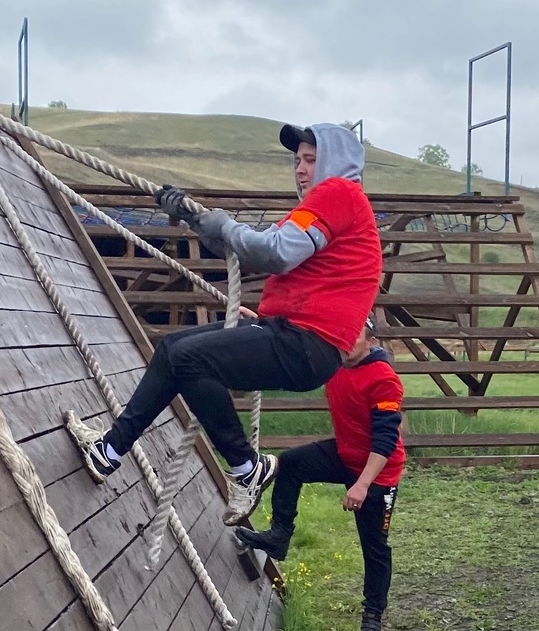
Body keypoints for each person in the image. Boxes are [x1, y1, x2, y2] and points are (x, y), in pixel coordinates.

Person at [82, 123, 383, 525]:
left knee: (190, 359)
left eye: (311, 160)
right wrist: (194, 220)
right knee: (172, 350)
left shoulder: (338, 193)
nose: (300, 169)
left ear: (334, 162)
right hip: (293, 334)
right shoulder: (327, 206)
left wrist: (223, 226)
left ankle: (246, 468)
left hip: (306, 342)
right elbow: (260, 252)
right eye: (297, 160)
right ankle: (109, 451)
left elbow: (274, 253)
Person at [235, 317, 405, 631]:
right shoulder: (334, 364)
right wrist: (262, 321)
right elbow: (298, 336)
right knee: (291, 463)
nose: (346, 342)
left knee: (375, 546)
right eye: (343, 334)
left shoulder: (384, 379)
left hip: (378, 471)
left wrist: (361, 486)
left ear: (371, 341)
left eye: (354, 336)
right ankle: (280, 535)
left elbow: (386, 441)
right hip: (345, 454)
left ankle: (372, 617)